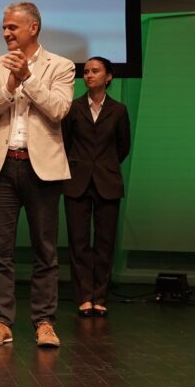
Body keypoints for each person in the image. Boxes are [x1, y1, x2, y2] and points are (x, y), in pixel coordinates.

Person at [0, 2, 74, 348]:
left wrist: (28, 79)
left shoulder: (60, 66)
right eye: (3, 27)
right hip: (2, 167)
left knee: (45, 250)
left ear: (33, 28)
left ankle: (44, 322)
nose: (5, 33)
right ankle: (0, 321)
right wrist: (9, 84)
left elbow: (59, 110)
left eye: (12, 27)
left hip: (41, 168)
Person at [62, 57, 130, 318]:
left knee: (104, 241)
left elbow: (123, 146)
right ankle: (84, 297)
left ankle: (100, 297)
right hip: (76, 181)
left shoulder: (119, 110)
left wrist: (107, 165)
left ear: (108, 77)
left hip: (108, 181)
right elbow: (66, 142)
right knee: (79, 243)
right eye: (86, 72)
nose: (89, 75)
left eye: (95, 71)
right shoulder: (72, 108)